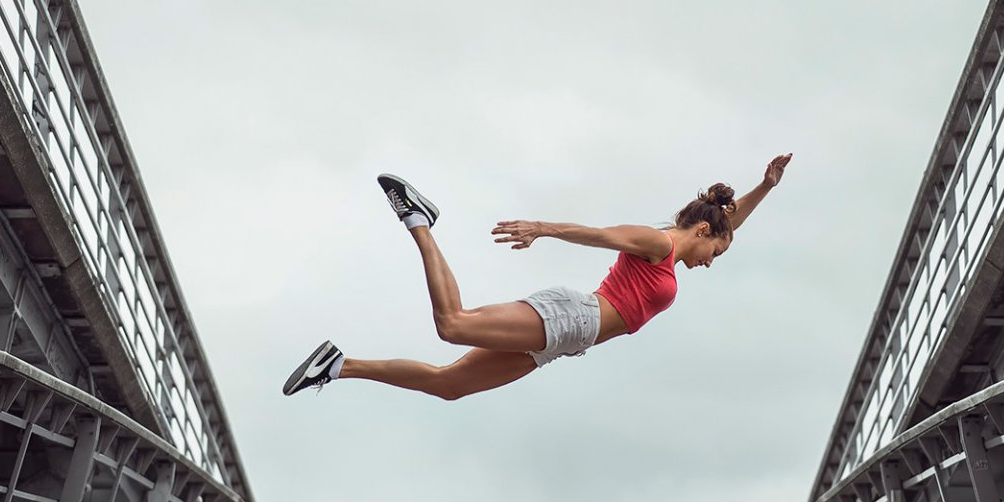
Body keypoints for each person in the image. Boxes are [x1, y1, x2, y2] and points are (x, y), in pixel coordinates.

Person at [283, 154, 793, 400]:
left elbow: (731, 221)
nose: (711, 262)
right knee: (453, 324)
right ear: (702, 230)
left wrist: (764, 187)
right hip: (573, 315)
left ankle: (339, 366)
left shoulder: (680, 246)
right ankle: (419, 221)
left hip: (565, 341)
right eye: (716, 252)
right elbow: (600, 233)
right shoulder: (657, 243)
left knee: (448, 387)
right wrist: (542, 228)